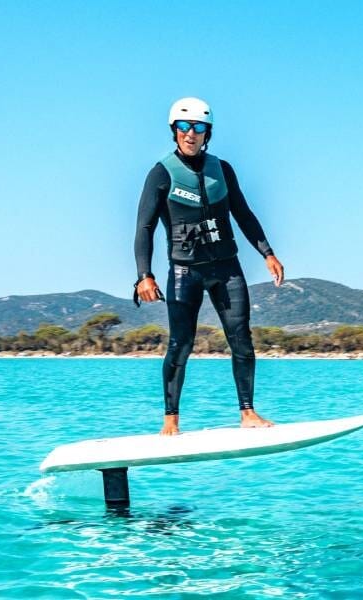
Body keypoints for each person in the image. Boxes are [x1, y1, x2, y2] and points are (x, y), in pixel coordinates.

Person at [133, 97, 284, 435]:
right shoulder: (160, 174)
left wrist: (267, 252)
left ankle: (248, 413)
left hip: (227, 269)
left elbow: (243, 213)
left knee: (241, 339)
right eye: (184, 127)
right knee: (181, 343)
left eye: (198, 127)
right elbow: (144, 228)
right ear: (174, 130)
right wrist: (144, 275)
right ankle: (170, 420)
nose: (191, 133)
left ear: (207, 133)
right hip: (185, 272)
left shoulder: (223, 170)